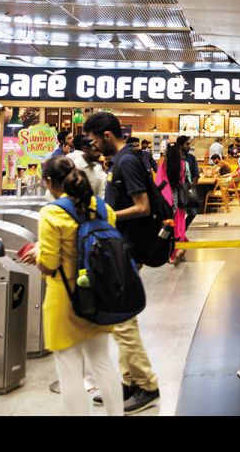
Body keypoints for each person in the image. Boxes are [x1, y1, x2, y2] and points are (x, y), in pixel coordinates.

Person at [20, 157, 124, 416]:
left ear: (49, 182)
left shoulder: (52, 213)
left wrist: (38, 253)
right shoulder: (103, 209)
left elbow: (49, 263)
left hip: (64, 298)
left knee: (69, 369)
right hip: (99, 294)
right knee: (102, 362)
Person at [83, 112, 160, 413]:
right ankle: (128, 381)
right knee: (120, 320)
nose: (93, 147)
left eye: (93, 140)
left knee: (123, 321)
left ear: (105, 135)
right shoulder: (122, 160)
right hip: (119, 247)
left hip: (125, 250)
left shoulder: (127, 162)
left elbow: (143, 207)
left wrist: (106, 215)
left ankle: (147, 385)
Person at [157, 142, 187, 263]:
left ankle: (171, 254)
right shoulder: (183, 164)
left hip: (166, 198)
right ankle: (179, 248)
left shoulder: (163, 165)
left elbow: (158, 181)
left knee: (169, 226)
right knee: (179, 224)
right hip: (179, 197)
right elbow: (184, 180)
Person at [177, 135, 199, 231]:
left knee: (193, 213)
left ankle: (183, 229)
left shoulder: (191, 158)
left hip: (188, 189)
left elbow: (196, 174)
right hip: (176, 190)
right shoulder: (175, 158)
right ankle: (177, 234)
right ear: (180, 145)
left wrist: (192, 188)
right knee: (177, 214)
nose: (189, 146)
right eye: (187, 144)